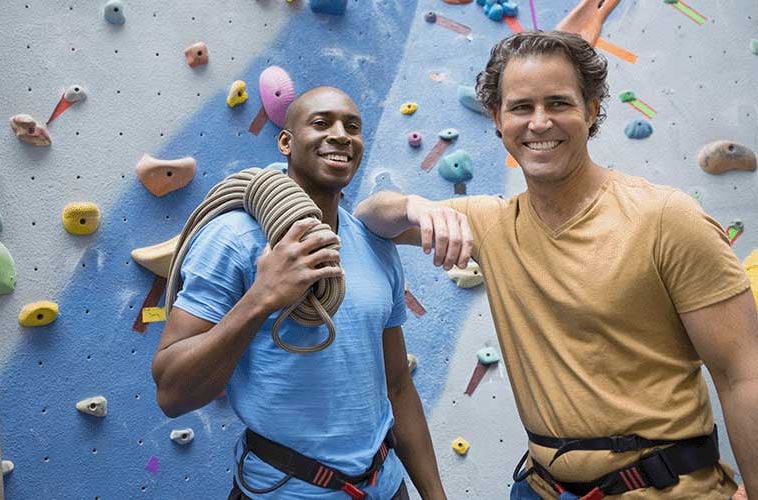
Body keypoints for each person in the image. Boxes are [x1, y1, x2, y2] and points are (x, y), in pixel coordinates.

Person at [354, 31, 758, 499]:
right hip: (539, 488)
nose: (539, 123)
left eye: (559, 104)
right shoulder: (490, 223)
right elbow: (368, 219)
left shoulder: (665, 218)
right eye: (521, 107)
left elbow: (742, 372)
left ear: (590, 110)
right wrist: (415, 205)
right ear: (497, 119)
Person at [152, 86, 447, 499]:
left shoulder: (374, 245)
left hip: (386, 485)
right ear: (286, 142)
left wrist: (434, 494)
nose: (342, 135)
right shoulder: (233, 239)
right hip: (287, 489)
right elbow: (172, 394)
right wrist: (262, 297)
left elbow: (397, 385)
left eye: (353, 127)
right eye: (322, 123)